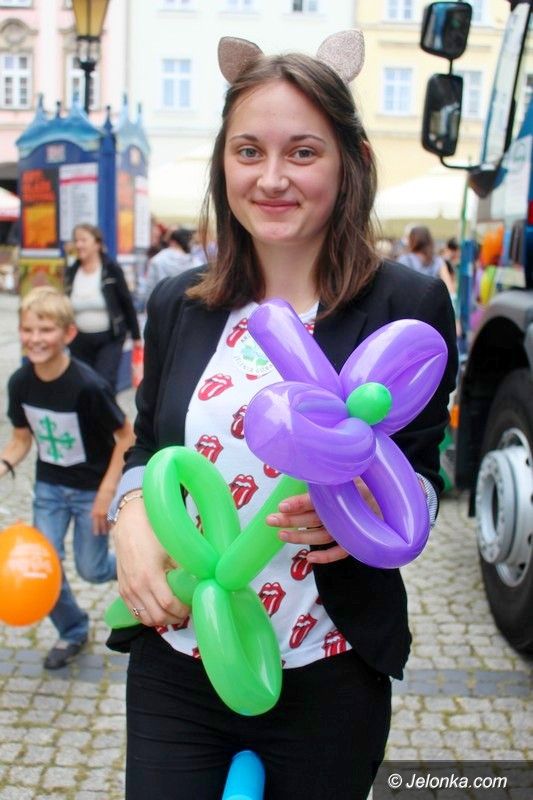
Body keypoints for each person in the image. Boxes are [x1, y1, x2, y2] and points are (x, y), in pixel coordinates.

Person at [108, 33, 457, 800]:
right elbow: (150, 444)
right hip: (181, 654)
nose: (270, 178)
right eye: (248, 151)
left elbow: (424, 471)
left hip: (329, 664)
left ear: (350, 161)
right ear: (223, 164)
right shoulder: (178, 303)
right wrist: (131, 514)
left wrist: (365, 511)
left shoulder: (406, 307)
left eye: (302, 152)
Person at [0, 286, 134, 670]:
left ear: (68, 333)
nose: (35, 338)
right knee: (43, 565)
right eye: (28, 329)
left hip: (91, 490)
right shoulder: (20, 383)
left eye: (46, 330)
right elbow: (21, 439)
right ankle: (73, 628)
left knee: (92, 569)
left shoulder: (88, 385)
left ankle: (145, 567)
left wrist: (107, 492)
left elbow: (126, 436)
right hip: (49, 489)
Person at [64, 223, 142, 394]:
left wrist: (136, 336)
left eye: (83, 240)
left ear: (97, 244)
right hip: (79, 340)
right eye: (76, 240)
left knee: (104, 383)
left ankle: (106, 411)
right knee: (82, 384)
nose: (79, 245)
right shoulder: (72, 271)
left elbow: (126, 302)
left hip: (110, 338)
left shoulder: (111, 269)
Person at [397, 225, 455, 296]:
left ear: (411, 240)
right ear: (429, 240)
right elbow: (450, 289)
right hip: (432, 300)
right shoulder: (438, 261)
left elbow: (398, 287)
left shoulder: (404, 260)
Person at [142, 227, 195, 303]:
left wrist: (147, 305)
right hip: (185, 306)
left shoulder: (157, 260)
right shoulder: (196, 263)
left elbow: (150, 287)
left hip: (161, 304)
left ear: (172, 241)